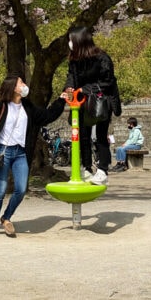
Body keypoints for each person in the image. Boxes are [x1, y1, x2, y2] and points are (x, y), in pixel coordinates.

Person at [0, 75, 69, 237]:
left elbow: (46, 116)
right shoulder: (0, 107)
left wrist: (61, 100)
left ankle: (6, 218)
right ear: (13, 87)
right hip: (4, 152)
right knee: (0, 190)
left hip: (21, 153)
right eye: (21, 83)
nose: (24, 85)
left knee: (20, 190)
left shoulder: (27, 106)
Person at [64, 26, 118, 186]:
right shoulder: (75, 60)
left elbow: (108, 81)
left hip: (101, 100)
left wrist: (85, 89)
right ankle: (86, 168)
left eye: (71, 40)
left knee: (101, 136)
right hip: (82, 101)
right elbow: (71, 77)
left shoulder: (102, 58)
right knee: (83, 136)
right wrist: (69, 88)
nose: (69, 43)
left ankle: (102, 170)